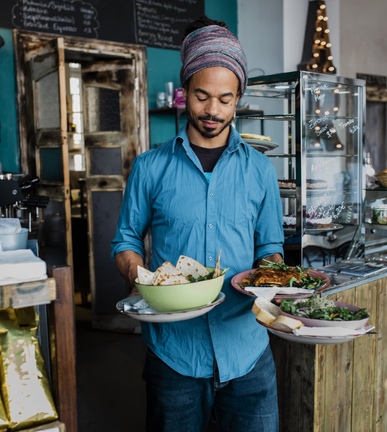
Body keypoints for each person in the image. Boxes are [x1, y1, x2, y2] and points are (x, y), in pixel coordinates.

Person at [111, 16, 284, 432]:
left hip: (247, 350)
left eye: (225, 99)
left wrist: (271, 278)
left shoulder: (261, 170)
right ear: (183, 91)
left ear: (238, 97)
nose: (212, 111)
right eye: (202, 96)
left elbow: (270, 249)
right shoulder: (150, 167)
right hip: (175, 353)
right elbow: (126, 240)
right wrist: (143, 278)